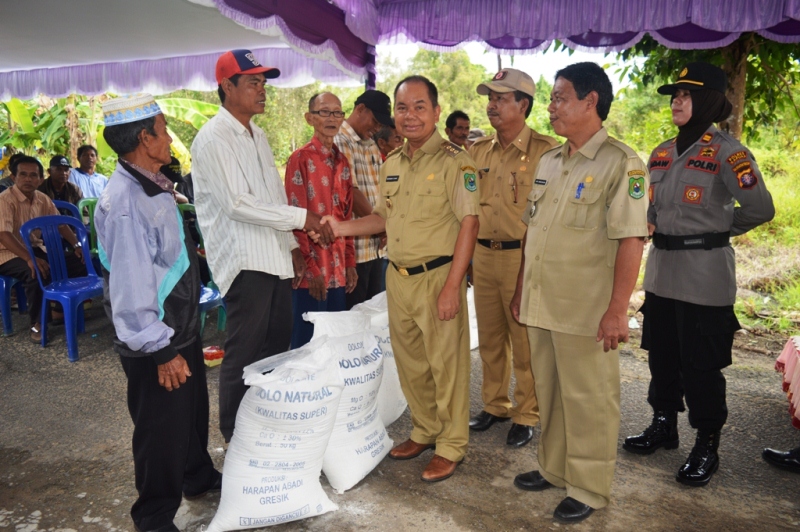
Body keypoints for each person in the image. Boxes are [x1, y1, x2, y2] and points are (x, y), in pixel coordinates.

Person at [314, 75, 479, 483]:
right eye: (403, 108)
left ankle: (451, 445)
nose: (410, 116)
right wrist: (341, 226)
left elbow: (470, 225)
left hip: (437, 276)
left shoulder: (457, 162)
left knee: (447, 367)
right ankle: (424, 430)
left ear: (436, 112)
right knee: (411, 364)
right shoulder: (391, 164)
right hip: (398, 277)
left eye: (420, 106)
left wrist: (452, 286)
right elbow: (380, 220)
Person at [623, 62, 775, 487]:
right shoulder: (661, 152)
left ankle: (707, 443)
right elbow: (649, 210)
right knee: (663, 357)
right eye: (675, 94)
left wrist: (713, 231)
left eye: (687, 95)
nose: (677, 101)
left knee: (702, 367)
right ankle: (664, 424)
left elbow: (762, 209)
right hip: (661, 273)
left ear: (708, 100)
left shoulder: (730, 152)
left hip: (704, 276)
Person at [509, 63, 649, 523]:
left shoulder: (621, 163)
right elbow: (533, 231)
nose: (550, 107)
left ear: (591, 102)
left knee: (589, 400)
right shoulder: (551, 160)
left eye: (560, 97)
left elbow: (631, 239)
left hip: (586, 310)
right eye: (551, 98)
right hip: (542, 300)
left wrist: (617, 311)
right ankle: (554, 469)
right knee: (548, 392)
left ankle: (589, 487)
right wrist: (520, 290)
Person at [191, 49, 333, 443]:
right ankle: (235, 435)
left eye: (263, 82)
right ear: (226, 87)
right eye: (253, 82)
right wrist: (302, 220)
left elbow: (271, 195)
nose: (262, 89)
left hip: (273, 258)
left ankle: (262, 422)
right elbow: (238, 204)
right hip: (244, 261)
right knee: (244, 352)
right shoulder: (214, 138)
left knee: (273, 346)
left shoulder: (258, 135)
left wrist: (292, 246)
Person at [96, 94, 221, 532]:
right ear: (144, 139)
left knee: (189, 415)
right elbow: (130, 289)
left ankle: (197, 477)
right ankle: (152, 517)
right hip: (156, 337)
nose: (169, 138)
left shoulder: (151, 183)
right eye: (164, 130)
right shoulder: (126, 201)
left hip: (178, 326)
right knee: (160, 432)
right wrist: (160, 349)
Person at [468, 68, 559, 448]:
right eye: (490, 97)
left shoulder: (547, 152)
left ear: (523, 104)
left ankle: (527, 413)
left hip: (523, 259)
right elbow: (467, 205)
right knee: (490, 339)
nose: (492, 105)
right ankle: (495, 404)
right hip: (482, 256)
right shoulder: (477, 151)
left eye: (501, 98)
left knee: (525, 342)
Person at [286, 92, 356, 347]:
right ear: (309, 118)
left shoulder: (343, 162)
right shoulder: (300, 159)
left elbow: (346, 216)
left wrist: (350, 262)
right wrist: (311, 269)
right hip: (311, 274)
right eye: (324, 112)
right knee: (307, 348)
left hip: (338, 271)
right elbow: (295, 216)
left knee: (335, 346)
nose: (332, 118)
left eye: (338, 112)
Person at [0, 156, 86, 342]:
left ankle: (56, 309)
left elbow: (61, 225)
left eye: (33, 175)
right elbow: (4, 235)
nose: (28, 179)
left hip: (34, 248)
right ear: (13, 177)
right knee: (35, 272)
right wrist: (29, 258)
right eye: (23, 175)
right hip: (6, 253)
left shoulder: (42, 198)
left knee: (79, 263)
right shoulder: (5, 200)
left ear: (40, 179)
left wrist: (76, 246)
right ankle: (37, 324)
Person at [333, 90, 393, 310]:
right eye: (375, 122)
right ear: (360, 110)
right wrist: (380, 226)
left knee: (372, 318)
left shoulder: (370, 143)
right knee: (355, 320)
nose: (377, 129)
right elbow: (352, 193)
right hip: (355, 251)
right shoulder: (341, 140)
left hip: (375, 248)